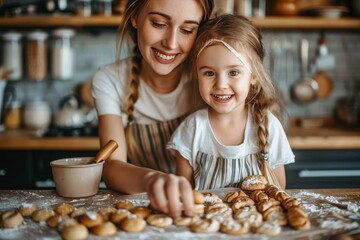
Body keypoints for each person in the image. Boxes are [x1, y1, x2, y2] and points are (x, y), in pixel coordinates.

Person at [91, 0, 214, 218]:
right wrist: (153, 180)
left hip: (206, 211)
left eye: (187, 30)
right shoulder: (110, 80)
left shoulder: (210, 78)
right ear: (135, 17)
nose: (171, 43)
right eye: (159, 23)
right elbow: (111, 166)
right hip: (145, 211)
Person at [167, 14, 295, 192]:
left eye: (233, 72)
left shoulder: (269, 126)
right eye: (209, 73)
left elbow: (278, 191)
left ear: (254, 75)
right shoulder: (193, 130)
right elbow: (184, 195)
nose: (220, 84)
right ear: (197, 74)